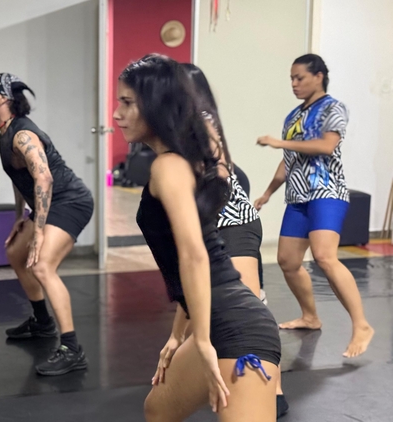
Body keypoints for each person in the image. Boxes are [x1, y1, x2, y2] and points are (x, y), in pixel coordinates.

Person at [116, 54, 281, 421]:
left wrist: (202, 339)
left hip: (238, 330)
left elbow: (195, 255)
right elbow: (195, 262)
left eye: (127, 103)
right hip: (218, 318)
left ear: (156, 105)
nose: (116, 113)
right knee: (158, 409)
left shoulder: (168, 166)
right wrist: (179, 335)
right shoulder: (179, 161)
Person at [183, 63, 288, 419]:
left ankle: (272, 390)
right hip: (222, 223)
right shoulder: (182, 124)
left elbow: (219, 174)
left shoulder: (202, 121)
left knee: (248, 309)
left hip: (235, 222)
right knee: (230, 304)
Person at [255, 53, 374, 358]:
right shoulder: (293, 117)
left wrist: (280, 142)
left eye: (300, 78)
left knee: (324, 256)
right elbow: (289, 161)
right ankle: (310, 316)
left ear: (318, 76)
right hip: (298, 197)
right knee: (288, 261)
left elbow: (326, 145)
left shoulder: (333, 107)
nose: (294, 84)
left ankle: (361, 325)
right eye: (291, 79)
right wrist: (268, 193)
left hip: (326, 192)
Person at [0, 73, 95, 376]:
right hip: (49, 203)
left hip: (70, 201)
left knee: (42, 266)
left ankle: (72, 349)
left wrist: (39, 231)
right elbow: (22, 179)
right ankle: (43, 323)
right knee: (16, 253)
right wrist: (21, 217)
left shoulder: (22, 135)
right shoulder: (6, 132)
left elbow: (44, 178)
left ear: (3, 98)